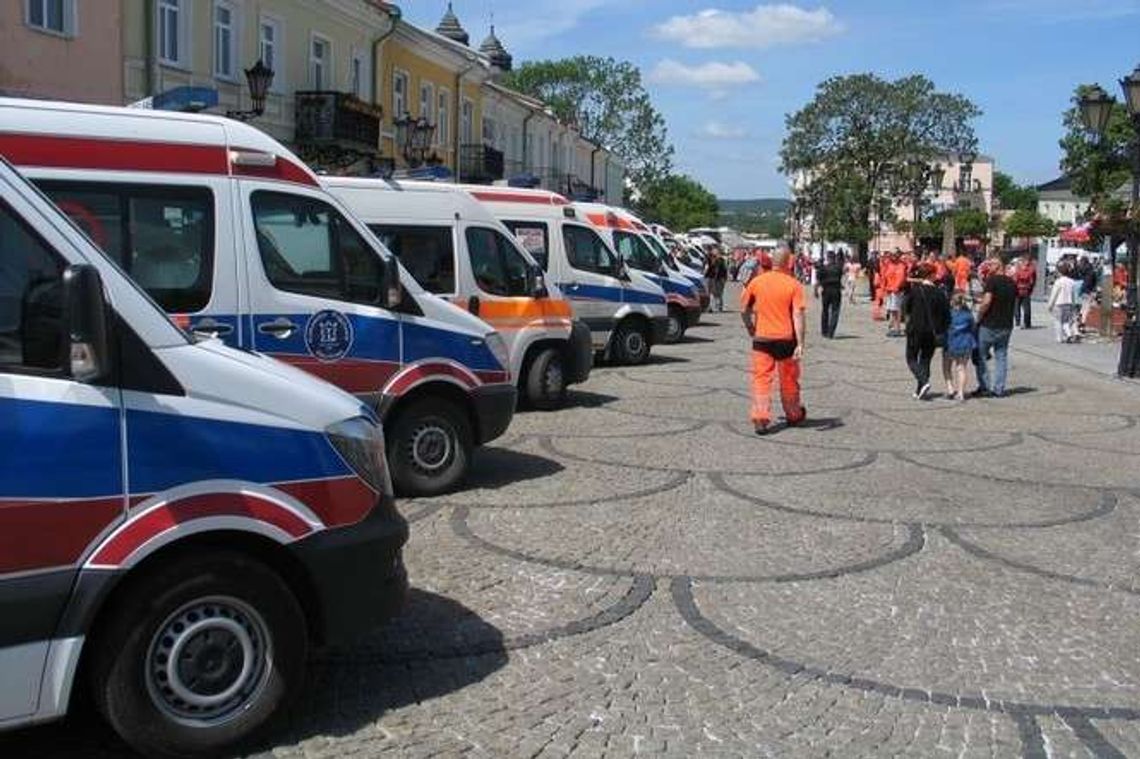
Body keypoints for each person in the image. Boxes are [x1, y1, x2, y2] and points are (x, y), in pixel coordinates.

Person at [740, 248, 807, 435]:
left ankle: (760, 418)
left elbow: (744, 309)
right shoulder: (793, 284)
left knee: (761, 379)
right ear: (788, 263)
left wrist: (750, 327)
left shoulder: (757, 282)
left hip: (762, 338)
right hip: (786, 339)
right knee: (789, 379)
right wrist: (800, 342)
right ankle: (793, 414)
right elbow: (798, 314)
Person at [901, 263, 950, 400]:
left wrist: (907, 322)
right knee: (925, 359)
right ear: (931, 275)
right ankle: (920, 388)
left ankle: (923, 382)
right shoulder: (940, 293)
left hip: (915, 329)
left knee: (911, 358)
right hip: (932, 331)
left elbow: (906, 308)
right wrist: (942, 329)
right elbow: (946, 314)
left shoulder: (915, 290)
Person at [975, 257, 1017, 397]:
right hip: (1006, 324)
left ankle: (984, 386)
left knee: (980, 355)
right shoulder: (1011, 282)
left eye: (990, 264)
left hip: (989, 324)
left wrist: (979, 316)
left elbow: (987, 301)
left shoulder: (992, 281)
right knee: (1001, 356)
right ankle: (999, 388)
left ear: (998, 266)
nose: (988, 266)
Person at [944, 292, 977, 401]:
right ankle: (961, 392)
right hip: (965, 344)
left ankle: (950, 388)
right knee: (961, 368)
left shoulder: (948, 314)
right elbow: (973, 328)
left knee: (947, 366)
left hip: (950, 343)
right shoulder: (968, 315)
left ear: (952, 302)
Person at [1047, 261, 1079, 343]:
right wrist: (1074, 305)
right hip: (1069, 303)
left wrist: (1050, 305)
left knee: (1058, 321)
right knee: (1066, 321)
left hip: (1059, 303)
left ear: (1059, 272)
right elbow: (1073, 295)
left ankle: (1059, 338)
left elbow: (1054, 294)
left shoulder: (1058, 282)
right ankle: (1069, 334)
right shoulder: (1072, 282)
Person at [815, 250, 844, 338]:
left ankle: (824, 331)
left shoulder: (823, 268)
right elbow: (840, 278)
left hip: (826, 290)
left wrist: (815, 290)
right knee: (835, 311)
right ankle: (831, 331)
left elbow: (818, 281)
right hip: (836, 290)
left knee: (825, 311)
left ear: (827, 258)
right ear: (834, 258)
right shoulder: (838, 268)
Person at [882, 250, 908, 337]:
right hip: (889, 289)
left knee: (896, 309)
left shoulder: (901, 266)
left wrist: (896, 287)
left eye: (895, 255)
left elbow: (901, 278)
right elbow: (885, 276)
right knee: (892, 309)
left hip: (896, 290)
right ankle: (893, 326)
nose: (893, 257)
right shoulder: (889, 265)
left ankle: (897, 328)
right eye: (892, 255)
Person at [1012, 252, 1037, 329]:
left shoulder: (1017, 269)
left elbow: (1014, 280)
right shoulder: (1032, 269)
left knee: (1016, 307)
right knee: (1027, 307)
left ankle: (1018, 322)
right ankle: (1027, 323)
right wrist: (1031, 289)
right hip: (1026, 290)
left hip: (1017, 290)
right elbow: (1033, 281)